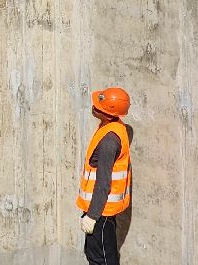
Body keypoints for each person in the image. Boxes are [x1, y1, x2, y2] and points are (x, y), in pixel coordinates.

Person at [77, 86, 132, 265]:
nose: (94, 106)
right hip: (100, 208)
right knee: (95, 254)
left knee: (102, 260)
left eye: (98, 106)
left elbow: (103, 182)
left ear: (108, 113)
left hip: (101, 212)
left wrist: (92, 216)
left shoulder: (109, 141)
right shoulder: (110, 126)